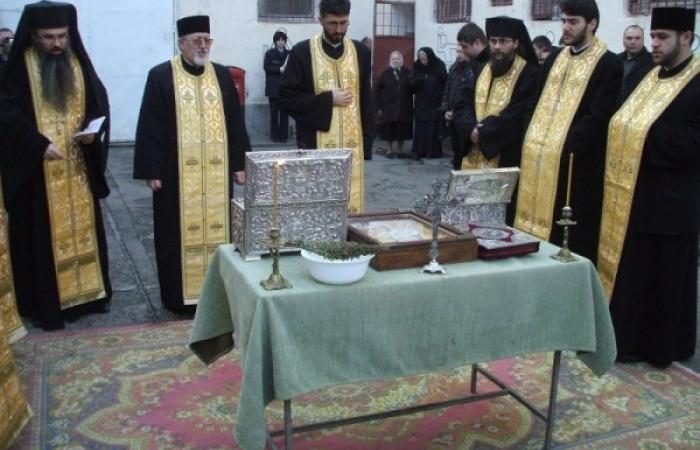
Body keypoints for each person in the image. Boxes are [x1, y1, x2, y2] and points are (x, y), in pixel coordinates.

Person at [0, 1, 112, 330]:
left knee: (85, 231)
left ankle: (89, 297)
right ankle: (46, 304)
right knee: (39, 238)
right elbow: (6, 114)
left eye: (62, 36)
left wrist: (92, 131)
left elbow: (98, 100)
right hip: (37, 175)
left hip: (77, 168)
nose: (57, 43)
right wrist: (38, 145)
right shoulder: (19, 68)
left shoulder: (76, 61)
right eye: (48, 37)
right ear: (33, 35)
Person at [598, 7, 699, 368]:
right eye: (653, 36)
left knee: (666, 278)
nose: (654, 44)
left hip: (674, 199)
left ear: (686, 38)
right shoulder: (651, 76)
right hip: (636, 195)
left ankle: (661, 349)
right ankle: (629, 340)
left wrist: (647, 135)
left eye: (662, 37)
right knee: (638, 272)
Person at [133, 15, 250, 311]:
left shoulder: (221, 75)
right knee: (173, 235)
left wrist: (239, 163)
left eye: (207, 40)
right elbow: (150, 125)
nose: (203, 45)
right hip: (174, 175)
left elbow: (235, 122)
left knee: (221, 232)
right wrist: (151, 170)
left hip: (216, 175)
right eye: (196, 40)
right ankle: (178, 299)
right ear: (181, 43)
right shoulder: (161, 75)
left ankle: (219, 297)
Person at [514, 0, 622, 262]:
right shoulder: (554, 58)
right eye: (563, 20)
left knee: (572, 238)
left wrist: (560, 146)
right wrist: (531, 135)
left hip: (578, 165)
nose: (566, 27)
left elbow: (598, 118)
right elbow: (535, 101)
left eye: (573, 21)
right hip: (541, 160)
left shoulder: (609, 63)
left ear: (592, 24)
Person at [279, 0, 373, 213]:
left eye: (344, 23)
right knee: (316, 209)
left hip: (352, 147)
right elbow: (286, 98)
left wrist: (367, 143)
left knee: (351, 208)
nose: (339, 30)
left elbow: (366, 98)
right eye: (333, 23)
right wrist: (327, 99)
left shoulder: (361, 52)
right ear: (320, 20)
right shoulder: (302, 52)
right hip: (314, 143)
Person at [461, 16, 540, 224]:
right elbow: (464, 103)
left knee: (499, 220)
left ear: (516, 43)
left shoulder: (529, 73)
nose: (497, 47)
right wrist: (470, 128)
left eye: (503, 41)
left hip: (505, 153)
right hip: (473, 150)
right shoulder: (482, 69)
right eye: (493, 41)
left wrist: (483, 132)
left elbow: (517, 114)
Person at [409, 47, 447, 161]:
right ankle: (419, 152)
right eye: (421, 59)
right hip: (421, 103)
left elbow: (445, 81)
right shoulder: (417, 66)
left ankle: (432, 152)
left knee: (432, 128)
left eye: (425, 59)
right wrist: (417, 81)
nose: (423, 61)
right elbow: (411, 82)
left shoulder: (439, 65)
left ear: (430, 57)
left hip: (434, 102)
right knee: (420, 128)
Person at [374, 50, 413, 159]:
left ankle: (400, 151)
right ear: (390, 60)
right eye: (393, 59)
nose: (396, 61)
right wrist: (378, 107)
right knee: (389, 130)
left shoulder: (408, 72)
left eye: (398, 58)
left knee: (402, 130)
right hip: (388, 107)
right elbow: (377, 91)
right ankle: (389, 150)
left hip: (403, 107)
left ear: (402, 60)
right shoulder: (385, 73)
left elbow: (412, 87)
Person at [441, 46, 472, 168]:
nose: (459, 54)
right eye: (457, 52)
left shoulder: (472, 69)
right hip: (452, 115)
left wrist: (458, 111)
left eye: (462, 52)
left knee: (465, 149)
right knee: (456, 148)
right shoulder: (454, 68)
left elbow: (467, 95)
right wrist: (445, 110)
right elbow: (447, 90)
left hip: (465, 116)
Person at [264, 30, 290, 143]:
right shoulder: (269, 53)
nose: (280, 42)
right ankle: (274, 136)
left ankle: (283, 136)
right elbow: (266, 67)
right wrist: (279, 69)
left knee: (284, 114)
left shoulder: (289, 54)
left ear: (285, 41)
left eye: (282, 40)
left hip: (285, 89)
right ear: (275, 41)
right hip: (273, 88)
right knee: (274, 114)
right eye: (278, 40)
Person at [619, 25, 654, 102]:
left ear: (643, 40)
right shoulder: (616, 60)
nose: (633, 42)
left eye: (637, 38)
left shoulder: (653, 62)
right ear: (623, 40)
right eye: (629, 38)